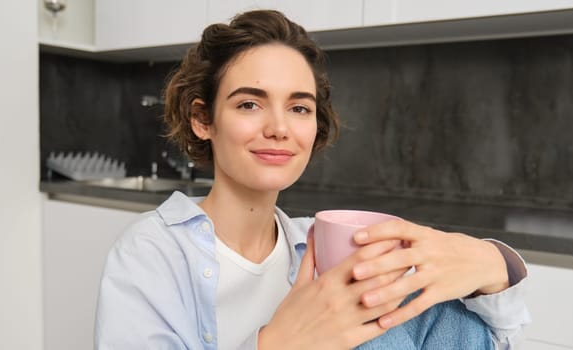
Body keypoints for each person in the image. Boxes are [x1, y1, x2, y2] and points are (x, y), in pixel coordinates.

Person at [95, 9, 530, 350]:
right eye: (250, 104)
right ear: (203, 118)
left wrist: (492, 262)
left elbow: (491, 334)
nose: (279, 128)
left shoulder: (321, 245)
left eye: (299, 108)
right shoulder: (150, 256)